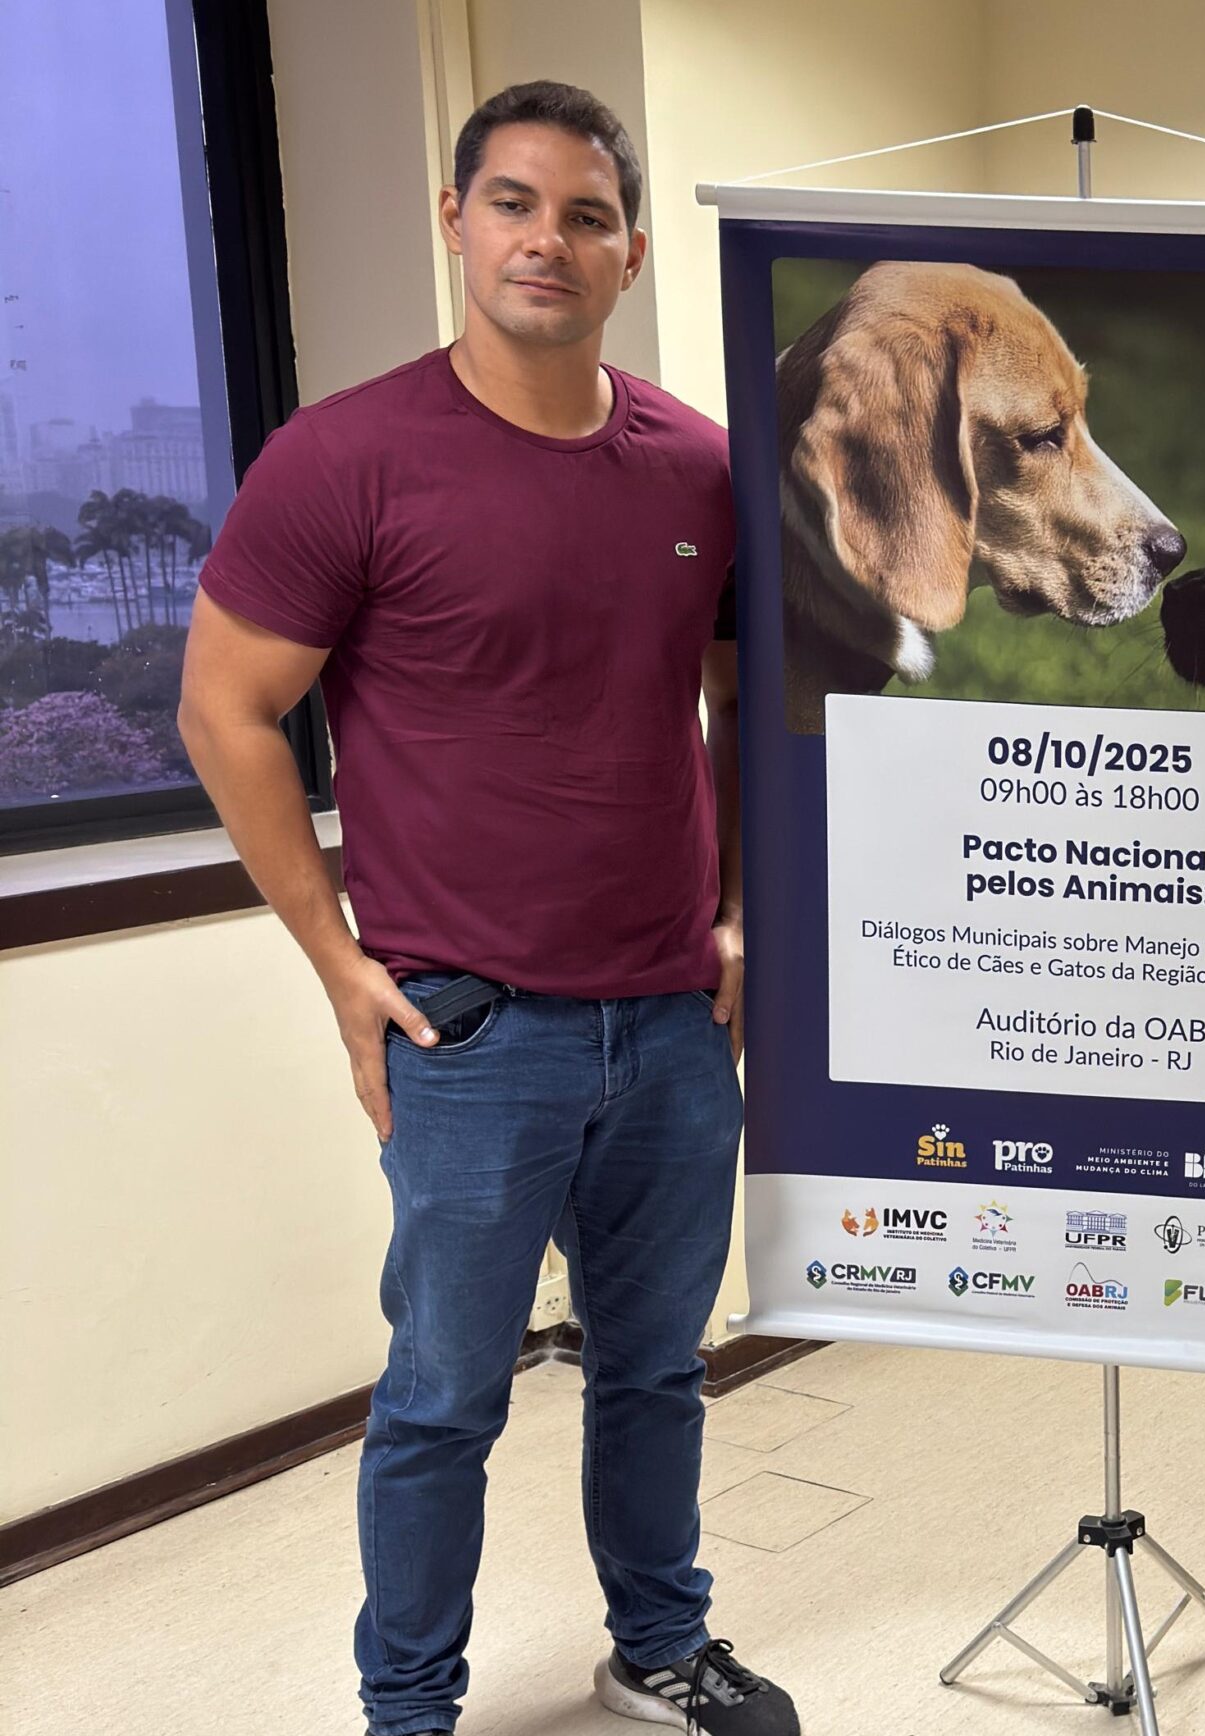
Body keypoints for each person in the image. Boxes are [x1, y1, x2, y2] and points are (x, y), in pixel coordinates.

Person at [178, 82, 796, 1736]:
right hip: (468, 1029)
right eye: (513, 203)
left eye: (586, 216)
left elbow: (743, 702)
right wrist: (337, 966)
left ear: (631, 253)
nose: (548, 240)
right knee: (445, 1398)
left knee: (656, 1368)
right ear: (456, 221)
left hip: (670, 1019)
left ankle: (659, 1644)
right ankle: (410, 1709)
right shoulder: (347, 460)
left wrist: (739, 917)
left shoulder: (699, 467)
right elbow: (226, 710)